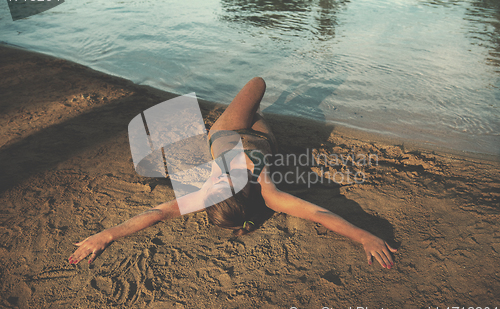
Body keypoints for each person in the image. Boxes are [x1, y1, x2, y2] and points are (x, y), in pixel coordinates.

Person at [68, 77, 397, 268]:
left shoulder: (210, 194)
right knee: (258, 85)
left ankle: (243, 106)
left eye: (213, 185)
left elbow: (156, 213)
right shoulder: (270, 193)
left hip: (226, 133)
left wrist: (107, 234)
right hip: (264, 138)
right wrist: (364, 236)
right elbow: (321, 213)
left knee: (252, 92)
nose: (212, 180)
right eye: (219, 182)